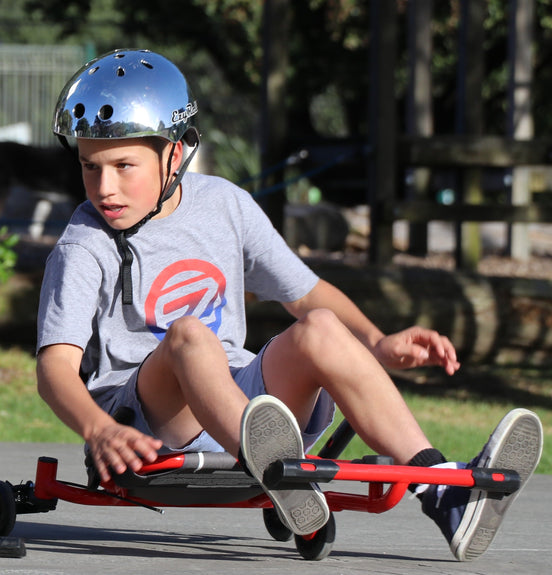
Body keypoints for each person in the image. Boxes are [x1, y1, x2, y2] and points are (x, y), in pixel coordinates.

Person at [36, 49, 543, 562]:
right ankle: (275, 467)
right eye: (89, 166)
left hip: (243, 402)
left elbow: (306, 293)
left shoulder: (224, 205)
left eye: (124, 166)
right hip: (144, 426)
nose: (105, 188)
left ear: (175, 153)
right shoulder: (85, 245)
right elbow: (54, 367)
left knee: (321, 325)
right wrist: (98, 429)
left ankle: (443, 492)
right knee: (190, 334)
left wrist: (378, 343)